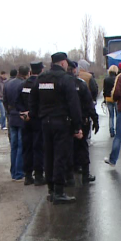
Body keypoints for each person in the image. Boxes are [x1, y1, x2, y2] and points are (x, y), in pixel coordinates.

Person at [30, 52, 83, 204]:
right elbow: (74, 104)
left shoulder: (41, 78)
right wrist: (77, 126)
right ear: (64, 63)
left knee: (49, 155)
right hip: (62, 122)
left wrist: (35, 116)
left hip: (45, 122)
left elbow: (33, 100)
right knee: (60, 156)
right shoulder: (66, 79)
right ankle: (59, 191)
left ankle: (51, 190)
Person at [72, 61, 100, 185]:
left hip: (65, 121)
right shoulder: (82, 83)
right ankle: (85, 173)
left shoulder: (60, 83)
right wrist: (94, 118)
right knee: (83, 146)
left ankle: (69, 173)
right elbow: (89, 102)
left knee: (68, 147)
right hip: (82, 119)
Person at [18, 62, 46, 185]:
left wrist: (23, 113)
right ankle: (39, 176)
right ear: (41, 70)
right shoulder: (41, 85)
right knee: (38, 148)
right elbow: (42, 104)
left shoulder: (23, 84)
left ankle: (28, 176)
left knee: (27, 147)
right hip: (37, 120)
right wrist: (32, 113)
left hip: (25, 120)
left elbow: (17, 102)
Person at [3, 66, 28, 181]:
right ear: (27, 73)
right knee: (21, 145)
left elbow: (5, 101)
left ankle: (13, 172)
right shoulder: (23, 84)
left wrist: (9, 112)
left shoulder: (7, 83)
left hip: (11, 116)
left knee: (13, 145)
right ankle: (19, 172)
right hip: (21, 115)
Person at [102, 65, 119, 137]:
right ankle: (118, 130)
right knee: (118, 115)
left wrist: (105, 99)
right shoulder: (117, 79)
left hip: (108, 99)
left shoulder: (106, 79)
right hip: (116, 99)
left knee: (111, 116)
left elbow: (104, 90)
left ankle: (111, 131)